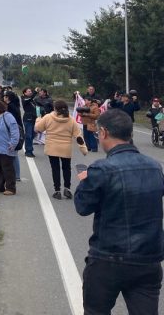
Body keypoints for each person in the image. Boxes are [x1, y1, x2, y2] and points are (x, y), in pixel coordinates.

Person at [74, 109, 164, 314]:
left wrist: (84, 181)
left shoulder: (101, 169)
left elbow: (82, 207)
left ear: (104, 132)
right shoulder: (154, 167)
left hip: (108, 258)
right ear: (130, 133)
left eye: (98, 134)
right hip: (148, 258)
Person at [35, 99, 88, 200]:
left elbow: (38, 129)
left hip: (52, 147)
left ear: (55, 108)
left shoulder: (48, 117)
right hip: (65, 147)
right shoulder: (71, 120)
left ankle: (57, 190)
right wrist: (83, 149)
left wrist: (38, 119)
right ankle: (67, 188)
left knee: (55, 169)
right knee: (66, 168)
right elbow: (78, 136)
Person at [4, 91, 24, 181]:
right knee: (12, 153)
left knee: (13, 154)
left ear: (8, 98)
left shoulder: (11, 106)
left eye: (5, 96)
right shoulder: (14, 105)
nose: (4, 97)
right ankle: (14, 174)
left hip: (14, 132)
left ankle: (17, 175)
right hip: (16, 131)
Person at [21, 87, 37, 157]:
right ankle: (28, 151)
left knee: (33, 135)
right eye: (29, 91)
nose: (30, 92)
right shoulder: (24, 99)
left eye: (31, 91)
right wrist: (35, 92)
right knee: (29, 135)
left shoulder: (32, 100)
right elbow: (29, 99)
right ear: (25, 93)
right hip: (28, 119)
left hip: (34, 119)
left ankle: (29, 148)